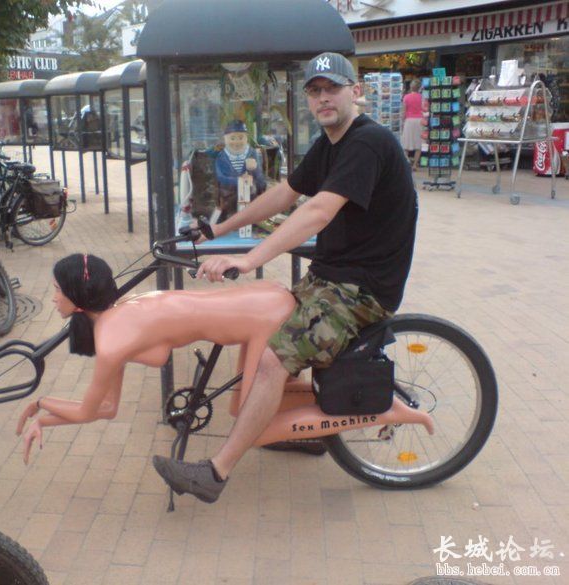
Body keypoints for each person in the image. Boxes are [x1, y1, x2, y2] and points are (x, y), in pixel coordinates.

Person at [151, 52, 418, 503]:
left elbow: (317, 211)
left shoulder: (367, 142)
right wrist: (217, 228)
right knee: (262, 323)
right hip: (330, 277)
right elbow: (284, 194)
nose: (323, 98)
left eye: (332, 88)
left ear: (356, 92)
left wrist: (249, 259)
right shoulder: (329, 144)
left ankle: (215, 473)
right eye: (314, 91)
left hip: (361, 291)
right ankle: (295, 429)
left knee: (274, 360)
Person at [16, 254, 429, 470]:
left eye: (56, 290)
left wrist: (40, 407)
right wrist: (44, 416)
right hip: (258, 303)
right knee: (240, 407)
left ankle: (381, 410)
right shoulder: (121, 313)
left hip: (262, 315)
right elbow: (131, 382)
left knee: (254, 428)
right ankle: (354, 397)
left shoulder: (112, 337)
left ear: (77, 296)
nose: (52, 297)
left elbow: (95, 410)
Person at [401, 79, 425, 170]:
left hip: (409, 120)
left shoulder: (406, 97)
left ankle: (407, 162)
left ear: (411, 87)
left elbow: (404, 111)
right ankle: (415, 164)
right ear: (419, 88)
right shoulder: (422, 97)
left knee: (406, 143)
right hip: (420, 121)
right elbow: (424, 109)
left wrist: (402, 121)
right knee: (418, 143)